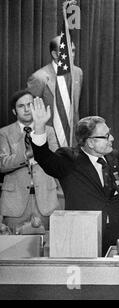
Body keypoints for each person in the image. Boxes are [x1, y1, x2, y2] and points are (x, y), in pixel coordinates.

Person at [29, 97, 119, 256]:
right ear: (90, 142)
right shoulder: (69, 159)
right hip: (82, 237)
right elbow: (44, 157)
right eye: (106, 136)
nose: (112, 139)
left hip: (115, 238)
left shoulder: (114, 157)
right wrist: (39, 127)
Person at [0, 90, 59, 234]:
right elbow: (2, 164)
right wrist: (27, 155)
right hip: (15, 203)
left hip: (45, 202)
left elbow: (56, 161)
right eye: (21, 106)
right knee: (12, 248)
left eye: (30, 104)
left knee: (47, 247)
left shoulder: (49, 131)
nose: (27, 109)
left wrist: (40, 146)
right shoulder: (4, 133)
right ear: (14, 111)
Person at [27, 35, 83, 147]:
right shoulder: (39, 77)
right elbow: (29, 112)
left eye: (73, 50)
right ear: (55, 54)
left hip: (72, 138)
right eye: (67, 51)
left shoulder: (78, 72)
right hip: (49, 138)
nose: (72, 55)